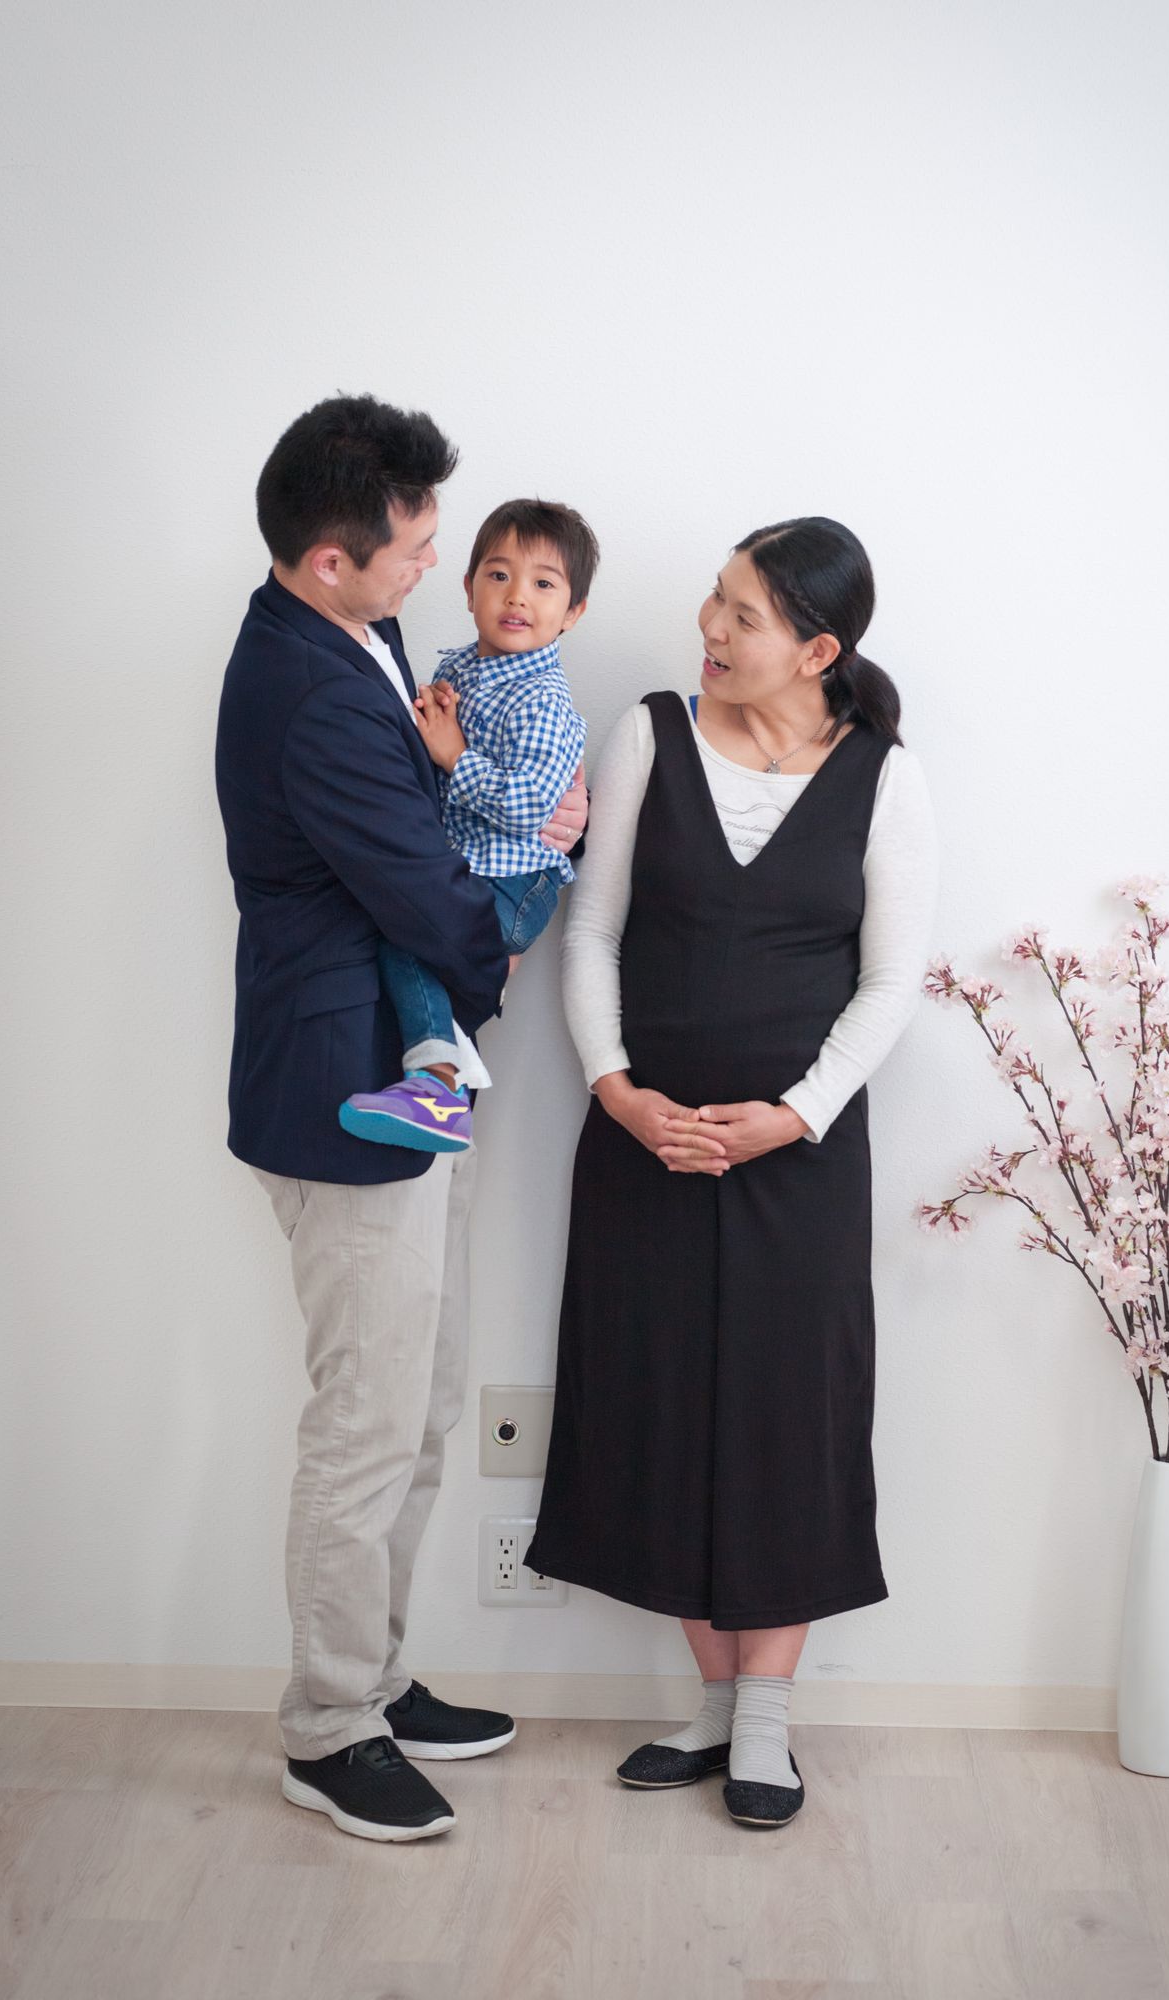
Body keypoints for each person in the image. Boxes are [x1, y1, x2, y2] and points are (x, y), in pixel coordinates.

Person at [524, 516, 937, 1829]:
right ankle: (710, 1705)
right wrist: (617, 1090)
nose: (709, 626)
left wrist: (795, 1115)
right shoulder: (650, 735)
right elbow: (590, 930)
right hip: (644, 1147)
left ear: (817, 650)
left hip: (797, 1167)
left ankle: (765, 1717)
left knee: (787, 1417)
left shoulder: (883, 779)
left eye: (742, 614)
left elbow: (893, 981)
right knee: (658, 1404)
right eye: (715, 597)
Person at [215, 394, 587, 1842]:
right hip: (346, 1092)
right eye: (418, 547)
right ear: (331, 559)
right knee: (367, 1425)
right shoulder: (310, 687)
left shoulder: (353, 634)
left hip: (411, 1080)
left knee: (422, 1401)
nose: (439, 566)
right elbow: (421, 893)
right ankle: (327, 1728)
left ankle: (373, 1676)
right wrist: (520, 915)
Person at [339, 498, 596, 1154]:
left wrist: (454, 754)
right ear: (468, 587)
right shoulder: (458, 668)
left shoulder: (543, 700)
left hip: (515, 881)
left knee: (410, 938)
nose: (517, 595)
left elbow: (529, 807)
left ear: (573, 612)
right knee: (409, 939)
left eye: (544, 584)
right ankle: (445, 1074)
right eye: (499, 574)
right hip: (469, 867)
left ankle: (437, 1084)